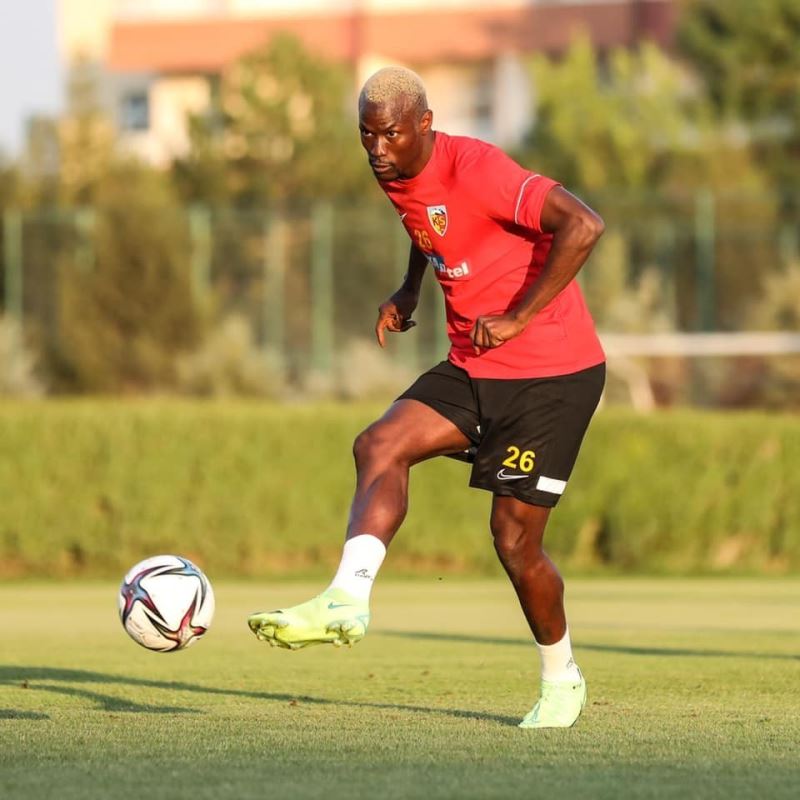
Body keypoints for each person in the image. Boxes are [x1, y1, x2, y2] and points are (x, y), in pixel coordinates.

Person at [248, 66, 606, 729]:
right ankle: (346, 598)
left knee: (513, 542)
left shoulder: (480, 169)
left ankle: (562, 678)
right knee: (379, 443)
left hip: (551, 374)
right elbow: (429, 225)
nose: (377, 149)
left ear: (424, 125)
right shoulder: (392, 172)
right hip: (475, 363)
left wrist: (520, 317)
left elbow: (584, 225)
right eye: (366, 135)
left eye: (389, 135)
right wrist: (410, 288)